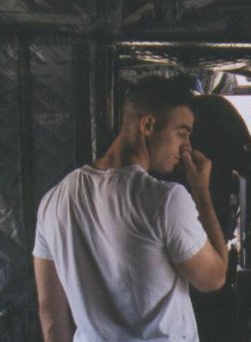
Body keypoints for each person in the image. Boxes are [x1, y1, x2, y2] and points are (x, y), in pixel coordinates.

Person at [33, 76, 228, 341]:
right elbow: (214, 278)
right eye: (181, 133)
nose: (187, 147)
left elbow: (50, 313)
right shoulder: (166, 200)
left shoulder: (52, 201)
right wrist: (201, 190)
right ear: (147, 125)